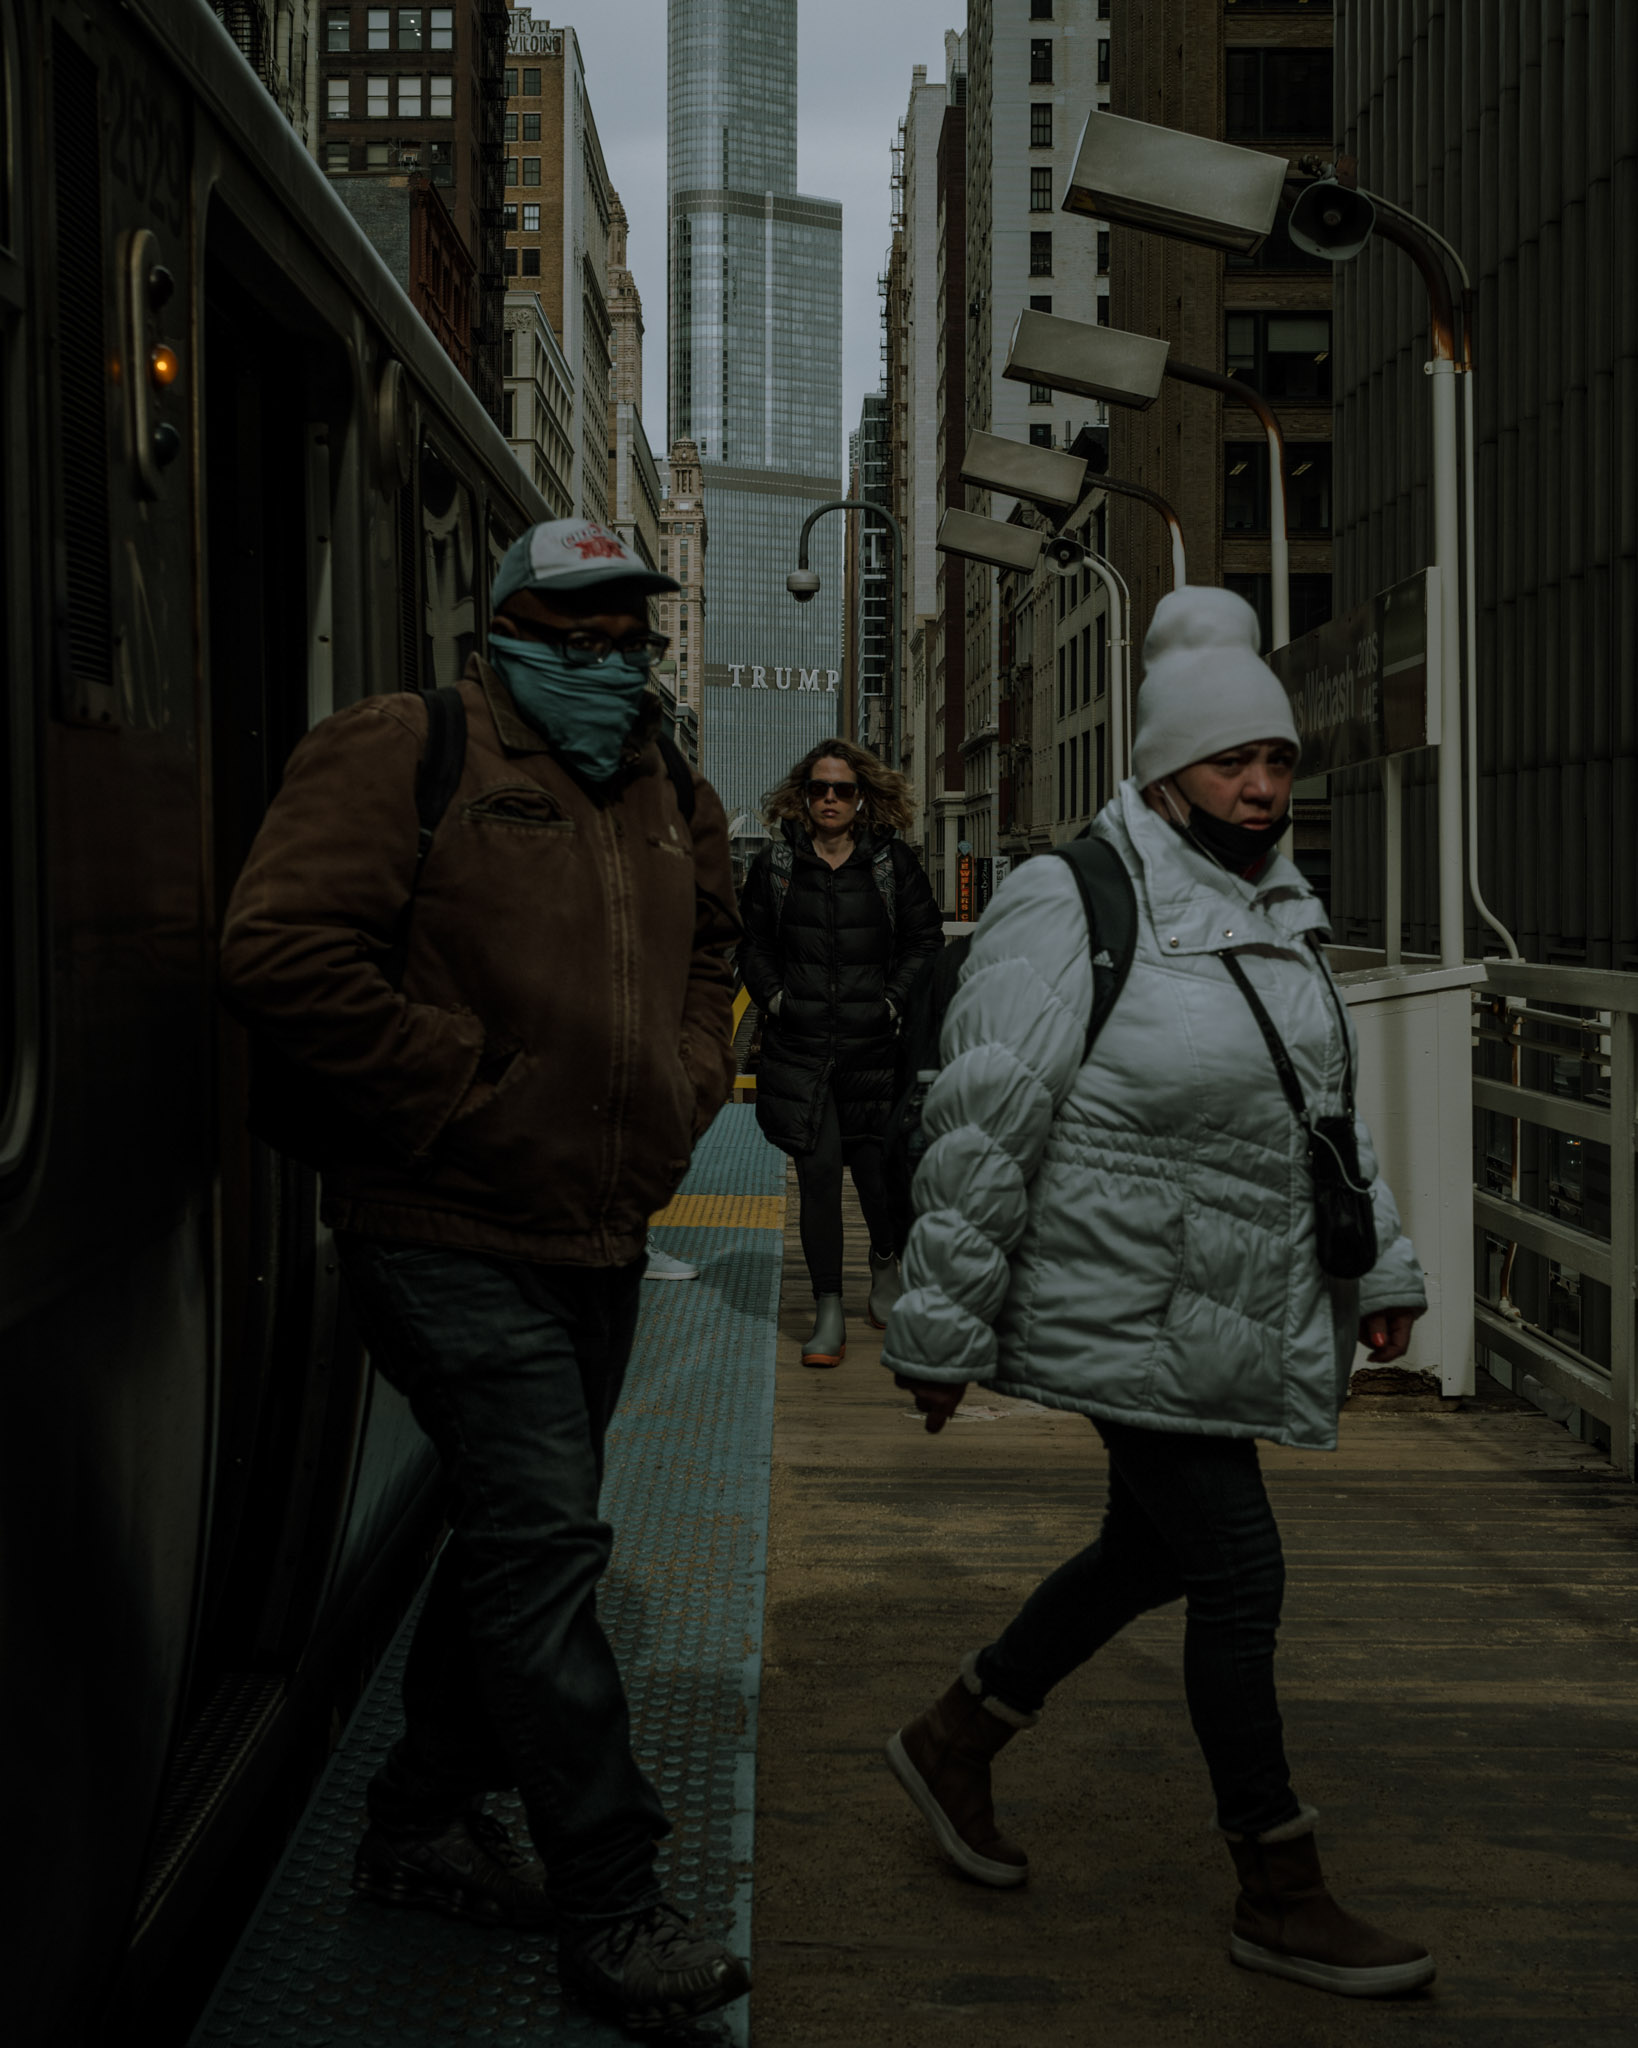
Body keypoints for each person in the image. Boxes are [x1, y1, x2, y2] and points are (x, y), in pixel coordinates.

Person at [219, 518, 750, 2034]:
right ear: (505, 622)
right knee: (542, 1538)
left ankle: (421, 1817)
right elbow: (281, 951)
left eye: (622, 631)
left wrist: (688, 1080)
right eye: (567, 629)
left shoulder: (668, 785)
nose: (600, 658)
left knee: (516, 1547)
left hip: (600, 1230)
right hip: (438, 1224)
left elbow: (712, 953)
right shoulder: (408, 747)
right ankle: (611, 1895)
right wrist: (464, 1089)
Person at [882, 586, 1436, 2001]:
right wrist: (938, 1329)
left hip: (1227, 1299)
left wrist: (1374, 1259)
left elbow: (1315, 1111)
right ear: (1160, 771)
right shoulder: (1069, 896)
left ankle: (956, 1736)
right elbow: (984, 1114)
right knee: (1237, 1571)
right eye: (1227, 763)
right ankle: (1276, 1881)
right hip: (1121, 1297)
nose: (1259, 787)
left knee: (1152, 1556)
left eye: (1276, 761)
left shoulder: (1274, 903)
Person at [737, 739, 943, 1366]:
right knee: (819, 1175)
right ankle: (829, 1307)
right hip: (800, 1050)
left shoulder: (890, 865)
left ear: (861, 799)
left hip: (875, 1050)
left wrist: (890, 1003)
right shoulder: (775, 866)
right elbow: (752, 946)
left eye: (843, 789)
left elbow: (925, 940)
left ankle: (885, 1263)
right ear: (803, 795)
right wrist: (773, 1000)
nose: (831, 798)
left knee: (878, 1181)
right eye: (821, 788)